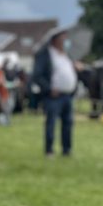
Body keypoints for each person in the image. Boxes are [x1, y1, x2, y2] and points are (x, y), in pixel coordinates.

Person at [32, 28, 78, 157]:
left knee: (68, 123)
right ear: (55, 39)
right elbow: (37, 75)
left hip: (67, 94)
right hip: (53, 96)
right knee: (51, 123)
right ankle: (49, 150)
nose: (65, 40)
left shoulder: (66, 55)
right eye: (63, 37)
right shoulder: (45, 54)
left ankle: (66, 149)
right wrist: (48, 89)